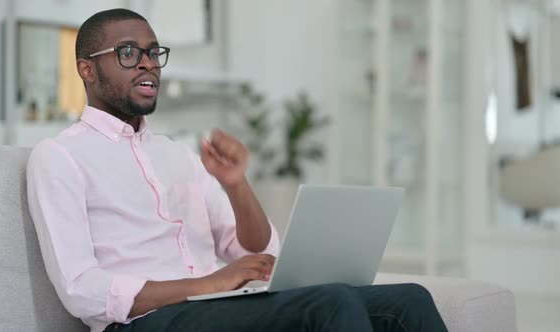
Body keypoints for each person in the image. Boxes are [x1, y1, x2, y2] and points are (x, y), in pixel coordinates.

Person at [26, 8, 448, 332]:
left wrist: (235, 185)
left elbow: (256, 253)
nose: (148, 63)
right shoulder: (59, 157)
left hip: (214, 309)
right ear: (87, 69)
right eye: (129, 53)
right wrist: (207, 286)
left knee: (409, 300)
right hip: (145, 322)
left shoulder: (180, 156)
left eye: (154, 53)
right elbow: (81, 289)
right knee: (332, 303)